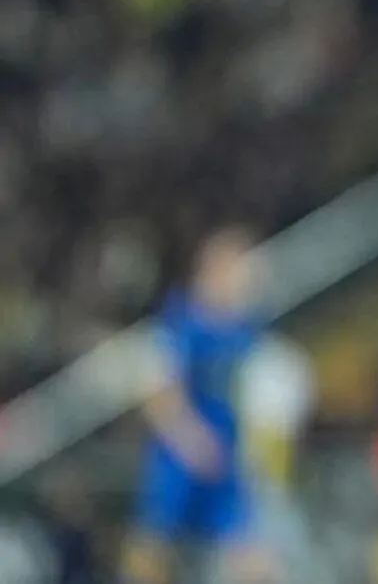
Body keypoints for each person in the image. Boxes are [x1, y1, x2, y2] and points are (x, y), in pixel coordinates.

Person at [123, 226, 276, 584]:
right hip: (180, 455)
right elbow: (158, 391)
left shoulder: (245, 327)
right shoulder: (180, 320)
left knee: (255, 560)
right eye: (241, 268)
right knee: (153, 552)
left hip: (225, 455)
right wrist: (190, 439)